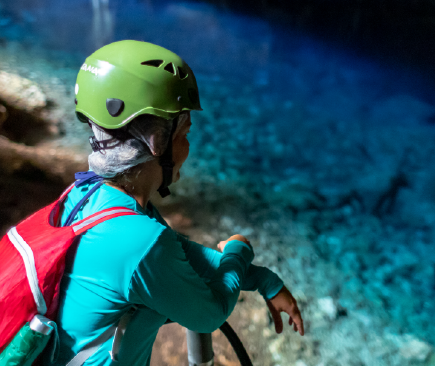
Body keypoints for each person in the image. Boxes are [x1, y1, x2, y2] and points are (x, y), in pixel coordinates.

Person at [48, 40, 304, 366]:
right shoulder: (138, 241)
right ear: (156, 142)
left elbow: (181, 254)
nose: (187, 148)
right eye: (183, 134)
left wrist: (266, 281)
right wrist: (238, 250)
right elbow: (210, 314)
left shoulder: (88, 196)